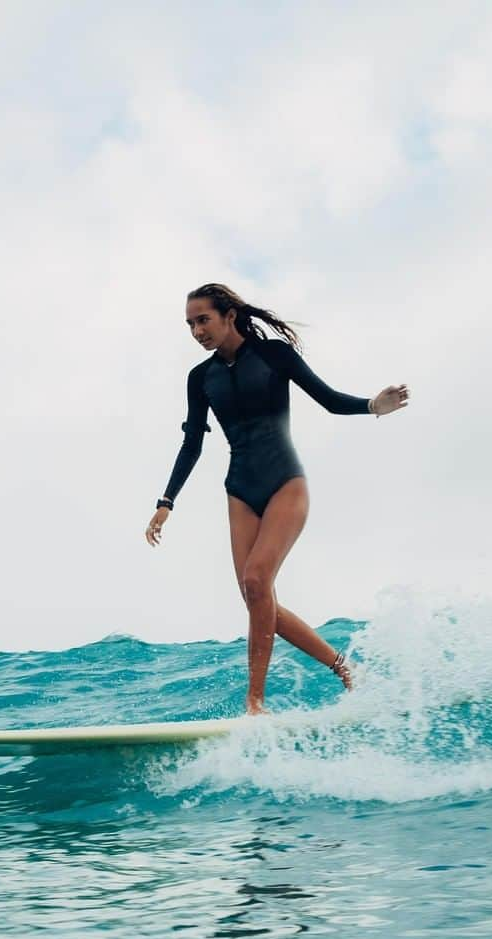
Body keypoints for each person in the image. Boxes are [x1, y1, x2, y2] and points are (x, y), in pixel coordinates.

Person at [145, 282, 408, 715]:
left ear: (229, 315)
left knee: (255, 581)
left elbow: (328, 400)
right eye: (190, 324)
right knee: (255, 594)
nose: (196, 331)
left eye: (203, 320)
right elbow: (192, 442)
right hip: (240, 489)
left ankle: (255, 702)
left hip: (285, 481)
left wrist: (372, 405)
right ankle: (345, 669)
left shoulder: (274, 355)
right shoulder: (201, 378)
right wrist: (166, 501)